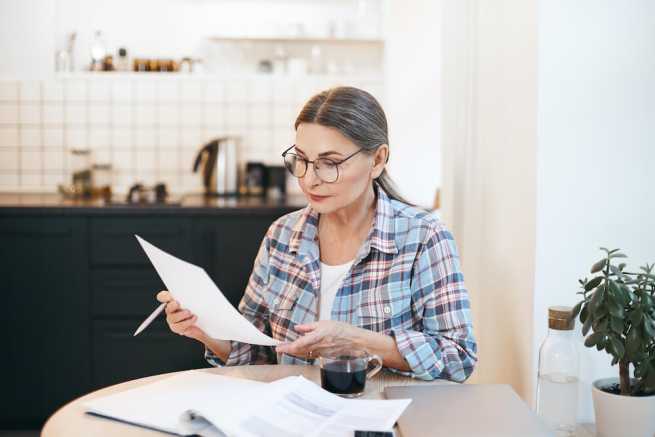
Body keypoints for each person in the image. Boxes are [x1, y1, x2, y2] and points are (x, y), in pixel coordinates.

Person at [156, 86, 477, 381]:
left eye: (330, 163)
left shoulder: (423, 237)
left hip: (381, 416)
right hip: (295, 416)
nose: (309, 179)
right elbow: (257, 356)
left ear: (378, 160)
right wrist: (206, 331)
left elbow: (459, 357)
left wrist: (359, 342)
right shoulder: (281, 235)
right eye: (302, 161)